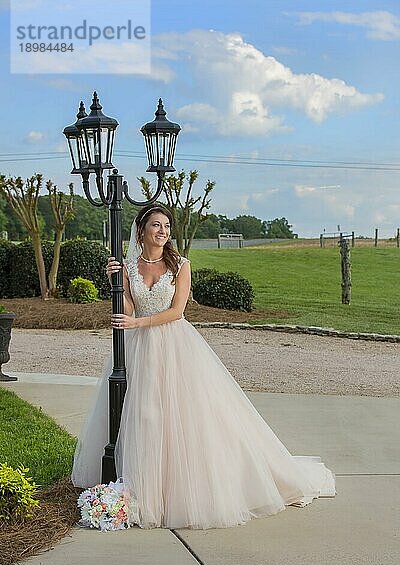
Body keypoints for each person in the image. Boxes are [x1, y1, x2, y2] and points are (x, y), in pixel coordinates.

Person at [71, 204, 336, 530]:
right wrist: (117, 280)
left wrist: (138, 323)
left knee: (183, 416)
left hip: (173, 344)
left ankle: (181, 490)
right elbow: (127, 306)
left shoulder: (181, 265)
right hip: (139, 347)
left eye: (167, 226)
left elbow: (177, 312)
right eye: (156, 225)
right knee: (143, 415)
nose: (163, 231)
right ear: (141, 231)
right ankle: (147, 491)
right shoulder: (129, 266)